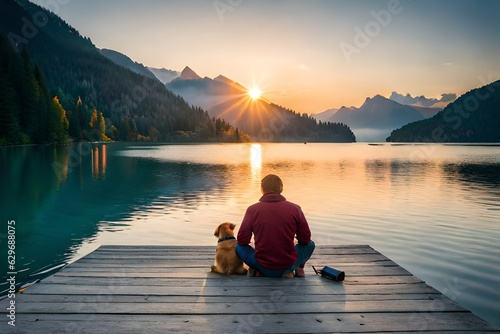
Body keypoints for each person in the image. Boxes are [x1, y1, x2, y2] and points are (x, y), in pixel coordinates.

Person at [236, 174, 315, 278]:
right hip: (288, 265)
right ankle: (299, 268)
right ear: (281, 188)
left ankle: (258, 270)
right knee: (310, 244)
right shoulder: (295, 209)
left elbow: (242, 240)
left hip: (262, 264)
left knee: (239, 246)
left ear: (262, 189)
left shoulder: (252, 210)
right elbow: (305, 239)